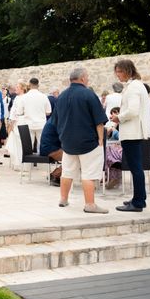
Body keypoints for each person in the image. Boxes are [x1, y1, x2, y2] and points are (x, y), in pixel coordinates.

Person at [49, 67, 109, 213]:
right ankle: (90, 204)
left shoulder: (61, 96)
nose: (88, 79)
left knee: (67, 172)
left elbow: (55, 121)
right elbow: (99, 121)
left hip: (68, 142)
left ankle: (63, 199)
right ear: (82, 78)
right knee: (89, 173)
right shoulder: (89, 94)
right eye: (87, 77)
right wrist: (100, 139)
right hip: (88, 142)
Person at [111, 59, 150, 212]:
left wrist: (118, 118)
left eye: (119, 72)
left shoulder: (134, 87)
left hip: (132, 132)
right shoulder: (135, 85)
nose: (118, 75)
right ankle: (140, 198)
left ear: (128, 71)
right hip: (132, 132)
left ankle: (138, 202)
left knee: (135, 168)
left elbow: (133, 111)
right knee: (136, 167)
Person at [14, 77, 51, 153]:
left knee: (28, 148)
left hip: (28, 124)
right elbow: (48, 112)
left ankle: (28, 164)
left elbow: (19, 112)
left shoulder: (24, 97)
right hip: (41, 124)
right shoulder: (44, 96)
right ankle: (42, 164)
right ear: (38, 85)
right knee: (42, 146)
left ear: (29, 85)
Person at [5, 82, 28, 170]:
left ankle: (22, 163)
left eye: (17, 87)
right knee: (15, 142)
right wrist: (11, 122)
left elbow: (18, 111)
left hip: (21, 121)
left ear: (22, 88)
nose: (16, 88)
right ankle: (17, 162)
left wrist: (13, 120)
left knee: (20, 143)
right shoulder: (17, 98)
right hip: (15, 122)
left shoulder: (25, 97)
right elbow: (13, 111)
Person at [39, 119, 63, 186]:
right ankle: (55, 175)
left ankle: (57, 174)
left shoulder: (55, 119)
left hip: (49, 148)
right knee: (73, 156)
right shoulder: (57, 121)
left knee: (74, 154)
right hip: (48, 150)